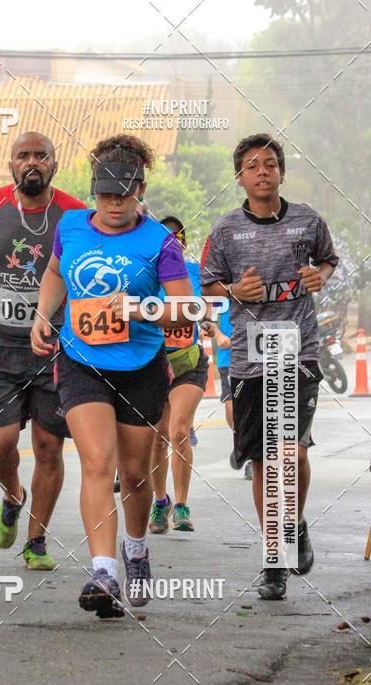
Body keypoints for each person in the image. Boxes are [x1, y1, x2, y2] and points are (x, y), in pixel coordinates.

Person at [31, 134, 194, 618]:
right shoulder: (72, 225)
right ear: (93, 191)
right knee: (97, 462)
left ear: (140, 189)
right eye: (105, 194)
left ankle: (136, 548)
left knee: (135, 474)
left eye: (124, 193)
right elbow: (57, 273)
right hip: (82, 362)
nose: (114, 203)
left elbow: (186, 309)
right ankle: (103, 570)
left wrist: (141, 308)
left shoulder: (159, 242)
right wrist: (44, 314)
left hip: (141, 368)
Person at [201, 133, 338, 600]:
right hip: (249, 358)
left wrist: (321, 276)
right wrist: (234, 291)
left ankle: (294, 523)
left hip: (298, 351)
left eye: (271, 164)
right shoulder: (224, 231)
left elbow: (329, 261)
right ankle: (274, 558)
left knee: (293, 454)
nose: (263, 172)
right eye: (253, 165)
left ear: (282, 172)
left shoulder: (308, 220)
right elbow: (207, 285)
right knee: (263, 461)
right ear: (239, 177)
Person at [0, 132, 85, 570]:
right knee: (0, 445)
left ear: (54, 164)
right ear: (10, 165)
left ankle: (37, 541)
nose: (32, 163)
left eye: (40, 156)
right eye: (23, 156)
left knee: (49, 448)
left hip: (54, 349)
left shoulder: (75, 213)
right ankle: (13, 495)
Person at [149, 216, 209, 534]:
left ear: (184, 242)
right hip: (155, 365)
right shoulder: (146, 275)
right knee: (158, 439)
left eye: (177, 237)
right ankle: (161, 503)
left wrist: (211, 319)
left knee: (179, 432)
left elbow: (212, 300)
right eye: (165, 236)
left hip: (188, 364)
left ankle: (182, 505)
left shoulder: (195, 273)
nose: (172, 241)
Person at [213, 304, 252, 479]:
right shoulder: (220, 291)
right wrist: (218, 334)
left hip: (255, 357)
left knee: (254, 410)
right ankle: (240, 440)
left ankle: (252, 457)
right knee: (232, 410)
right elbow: (205, 317)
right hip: (228, 358)